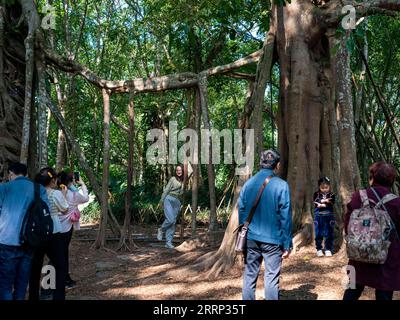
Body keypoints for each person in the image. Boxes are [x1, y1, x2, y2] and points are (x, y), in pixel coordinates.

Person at [238, 149, 292, 300]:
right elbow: (285, 217)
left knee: (249, 275)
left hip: (251, 238)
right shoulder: (281, 185)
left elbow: (241, 210)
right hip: (273, 240)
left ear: (261, 163)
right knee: (271, 278)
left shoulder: (248, 183)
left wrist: (245, 230)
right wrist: (287, 243)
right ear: (277, 165)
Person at [343, 162, 400, 300]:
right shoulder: (396, 202)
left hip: (359, 254)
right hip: (386, 257)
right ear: (391, 181)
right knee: (384, 292)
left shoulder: (358, 196)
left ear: (371, 178)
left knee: (352, 289)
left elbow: (347, 224)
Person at [0, 163, 49, 300]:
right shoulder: (38, 189)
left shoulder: (4, 188)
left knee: (5, 286)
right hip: (30, 242)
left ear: (10, 174)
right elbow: (45, 213)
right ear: (26, 174)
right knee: (22, 285)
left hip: (6, 241)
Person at [29, 167, 69, 300]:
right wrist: (63, 195)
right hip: (53, 231)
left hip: (36, 232)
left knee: (35, 267)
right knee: (60, 266)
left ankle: (33, 296)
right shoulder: (55, 193)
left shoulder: (34, 193)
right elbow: (64, 209)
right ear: (53, 180)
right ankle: (59, 296)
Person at [57, 170, 89, 289]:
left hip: (55, 227)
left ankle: (63, 278)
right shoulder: (74, 195)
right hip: (67, 228)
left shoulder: (56, 193)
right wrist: (82, 184)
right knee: (63, 254)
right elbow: (86, 198)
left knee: (59, 254)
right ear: (72, 181)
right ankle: (63, 280)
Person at [157, 164, 192, 249]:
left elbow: (191, 171)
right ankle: (161, 229)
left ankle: (168, 242)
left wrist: (188, 156)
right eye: (177, 170)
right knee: (170, 219)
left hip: (177, 202)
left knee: (173, 223)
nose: (178, 172)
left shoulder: (184, 180)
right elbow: (166, 189)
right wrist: (161, 200)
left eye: (180, 170)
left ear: (183, 171)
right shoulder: (173, 179)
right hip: (169, 199)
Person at [313, 177, 336, 257]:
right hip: (318, 216)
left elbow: (332, 201)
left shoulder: (332, 194)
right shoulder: (316, 194)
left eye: (326, 187)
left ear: (329, 187)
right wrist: (320, 203)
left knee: (329, 233)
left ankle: (328, 249)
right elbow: (316, 202)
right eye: (322, 188)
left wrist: (325, 202)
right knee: (318, 233)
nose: (324, 189)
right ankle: (319, 249)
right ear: (319, 187)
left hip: (329, 216)